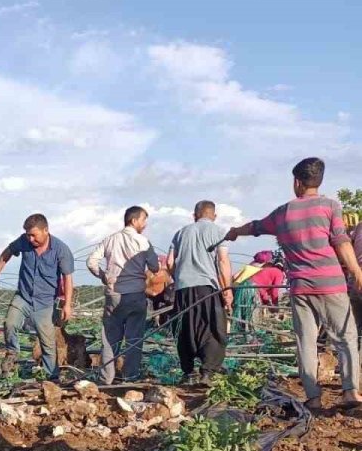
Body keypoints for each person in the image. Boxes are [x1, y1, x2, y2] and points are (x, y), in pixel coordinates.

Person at [225, 157, 362, 412]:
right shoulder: (330, 206)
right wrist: (356, 271)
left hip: (300, 288)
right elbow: (341, 241)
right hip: (331, 284)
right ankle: (350, 392)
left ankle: (313, 397)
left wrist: (234, 231)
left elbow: (255, 227)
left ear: (297, 182)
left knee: (305, 341)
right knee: (345, 337)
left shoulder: (282, 213)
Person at [0, 213, 74, 378]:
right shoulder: (24, 241)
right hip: (23, 297)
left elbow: (67, 278)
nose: (31, 239)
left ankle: (52, 378)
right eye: (28, 235)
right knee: (10, 323)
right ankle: (12, 353)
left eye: (34, 235)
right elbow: (8, 251)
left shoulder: (61, 249)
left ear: (46, 230)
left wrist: (67, 305)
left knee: (48, 344)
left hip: (45, 303)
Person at [87, 206, 159, 384]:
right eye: (143, 220)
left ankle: (106, 378)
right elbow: (155, 267)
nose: (145, 224)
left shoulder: (110, 239)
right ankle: (131, 377)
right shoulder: (143, 242)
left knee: (110, 339)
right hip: (136, 294)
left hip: (114, 294)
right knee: (134, 339)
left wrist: (104, 276)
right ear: (134, 221)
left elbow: (91, 262)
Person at [168, 201, 233, 382]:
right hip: (207, 287)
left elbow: (170, 263)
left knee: (185, 328)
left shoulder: (181, 232)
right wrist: (227, 290)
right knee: (213, 328)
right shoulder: (218, 231)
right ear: (214, 216)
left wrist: (179, 277)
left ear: (194, 215)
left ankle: (188, 372)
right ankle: (207, 371)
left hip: (183, 288)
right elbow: (222, 261)